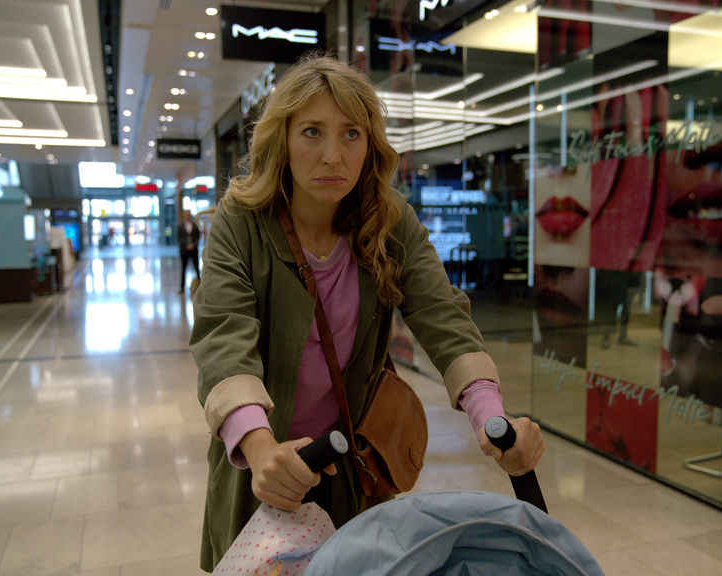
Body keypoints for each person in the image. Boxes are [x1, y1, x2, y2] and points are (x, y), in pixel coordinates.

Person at [189, 55, 546, 572]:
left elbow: (442, 316)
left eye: (351, 134)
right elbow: (223, 336)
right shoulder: (241, 222)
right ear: (282, 139)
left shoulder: (390, 221)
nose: (332, 155)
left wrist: (494, 421)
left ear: (369, 144)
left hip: (354, 466)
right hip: (264, 464)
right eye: (312, 132)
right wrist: (260, 447)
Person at [178, 212, 200, 294]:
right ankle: (182, 288)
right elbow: (179, 238)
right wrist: (186, 245)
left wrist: (193, 245)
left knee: (196, 268)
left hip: (194, 250)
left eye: (189, 215)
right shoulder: (180, 226)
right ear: (184, 216)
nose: (187, 216)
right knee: (183, 269)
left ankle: (200, 286)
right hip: (184, 251)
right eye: (186, 215)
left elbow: (198, 237)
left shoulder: (195, 225)